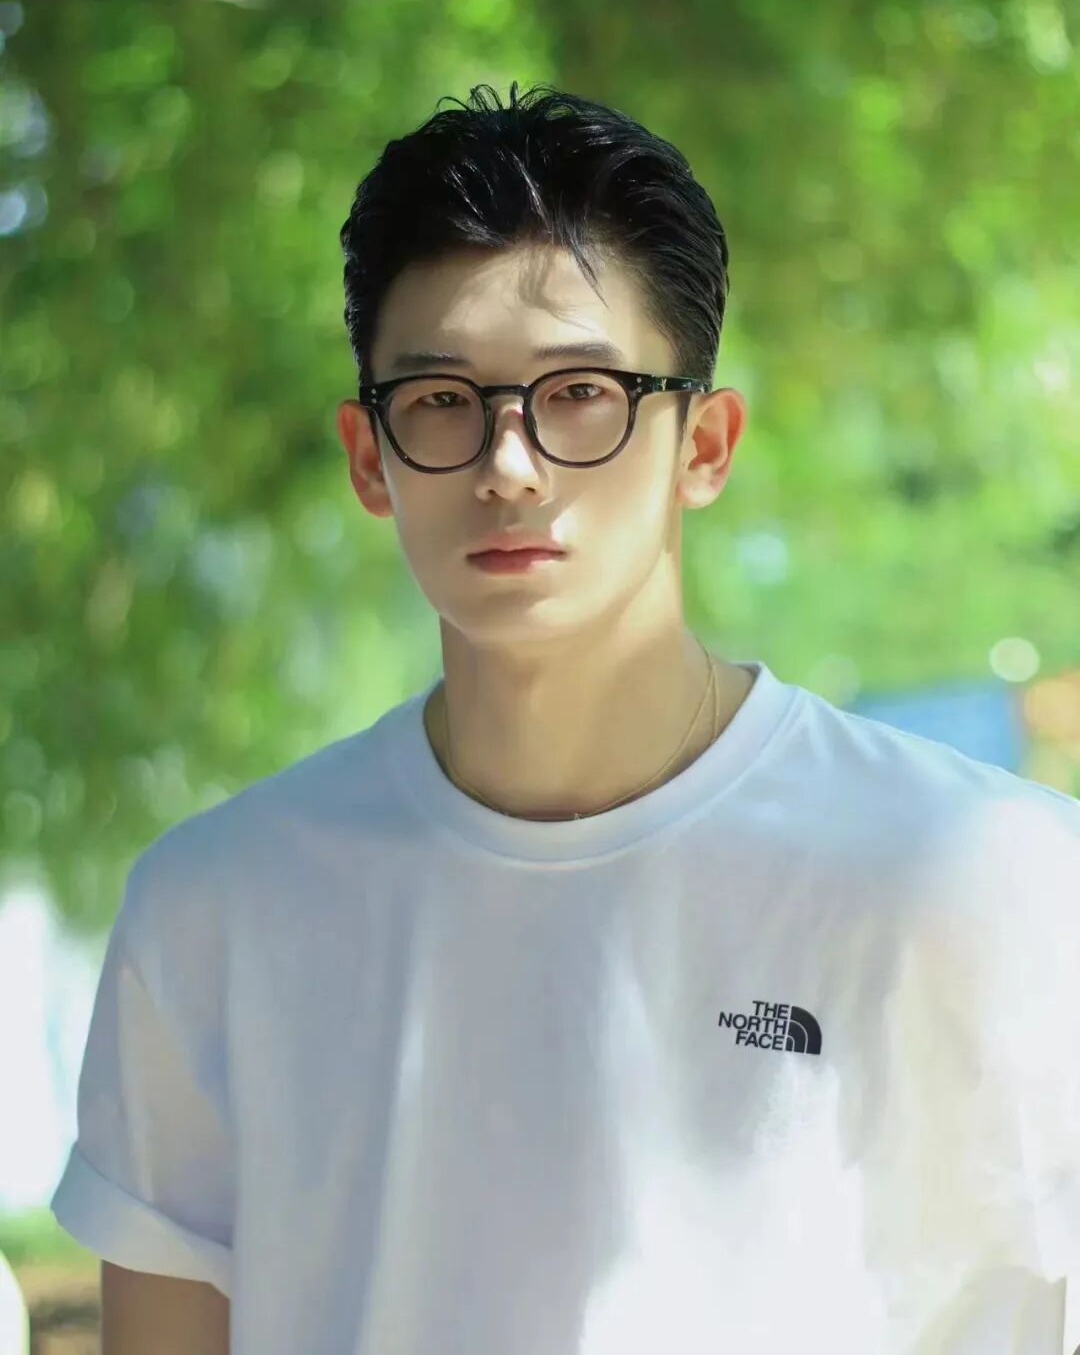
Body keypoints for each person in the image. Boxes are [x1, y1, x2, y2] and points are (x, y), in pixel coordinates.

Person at [51, 82, 1080, 1354]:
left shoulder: (997, 880)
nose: (510, 462)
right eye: (441, 399)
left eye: (581, 389)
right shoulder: (215, 908)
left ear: (705, 444)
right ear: (370, 456)